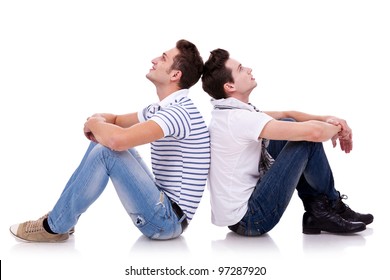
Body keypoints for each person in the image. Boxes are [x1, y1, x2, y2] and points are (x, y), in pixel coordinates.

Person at [10, 39, 211, 242]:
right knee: (101, 143)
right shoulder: (163, 108)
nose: (154, 60)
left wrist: (95, 125)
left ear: (175, 75)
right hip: (162, 207)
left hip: (168, 221)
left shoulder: (178, 113)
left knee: (107, 151)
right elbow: (116, 120)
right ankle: (61, 219)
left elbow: (116, 140)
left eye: (163, 58)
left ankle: (54, 226)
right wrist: (96, 122)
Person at [201, 48, 373, 236]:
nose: (249, 69)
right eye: (241, 69)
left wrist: (328, 119)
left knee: (288, 125)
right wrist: (340, 130)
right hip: (251, 219)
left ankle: (319, 211)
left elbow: (286, 114)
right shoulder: (239, 119)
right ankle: (328, 207)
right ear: (230, 87)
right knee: (305, 139)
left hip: (239, 217)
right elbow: (314, 133)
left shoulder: (229, 113)